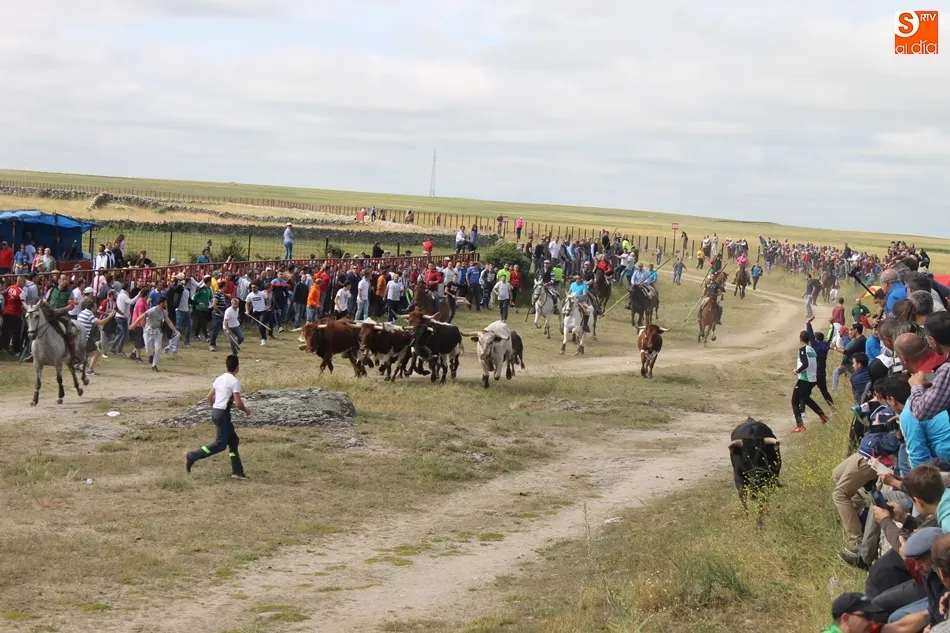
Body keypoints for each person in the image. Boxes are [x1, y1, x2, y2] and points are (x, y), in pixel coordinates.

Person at [185, 354, 250, 480]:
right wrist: (246, 410)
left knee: (233, 441)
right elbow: (238, 403)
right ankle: (192, 456)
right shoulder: (234, 381)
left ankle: (237, 472)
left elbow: (209, 397)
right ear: (237, 367)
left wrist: (215, 408)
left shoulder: (220, 378)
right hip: (223, 414)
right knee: (220, 445)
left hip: (215, 411)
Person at [792, 329, 828, 432]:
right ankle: (822, 415)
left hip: (805, 379)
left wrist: (797, 371)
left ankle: (800, 425)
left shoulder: (803, 349)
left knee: (794, 401)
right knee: (806, 398)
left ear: (800, 339)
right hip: (813, 379)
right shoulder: (812, 350)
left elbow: (805, 363)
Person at [130, 296, 179, 372]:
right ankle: (151, 355)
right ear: (162, 303)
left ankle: (154, 365)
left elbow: (168, 321)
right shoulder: (152, 310)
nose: (166, 304)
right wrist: (134, 324)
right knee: (148, 349)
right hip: (148, 332)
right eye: (165, 302)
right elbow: (141, 317)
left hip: (157, 332)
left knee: (158, 348)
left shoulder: (164, 312)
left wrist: (175, 330)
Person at [76, 298, 116, 376]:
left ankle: (79, 366)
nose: (96, 308)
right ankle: (90, 370)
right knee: (96, 353)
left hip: (79, 337)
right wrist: (110, 316)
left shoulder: (82, 312)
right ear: (91, 307)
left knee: (87, 353)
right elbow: (100, 322)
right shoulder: (89, 314)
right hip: (84, 338)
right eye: (95, 307)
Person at [807, 317, 835, 406]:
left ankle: (802, 411)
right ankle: (833, 408)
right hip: (822, 372)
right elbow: (829, 336)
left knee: (805, 392)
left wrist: (808, 323)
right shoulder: (825, 345)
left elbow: (810, 335)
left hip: (813, 372)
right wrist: (832, 325)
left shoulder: (814, 345)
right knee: (824, 391)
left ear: (816, 339)